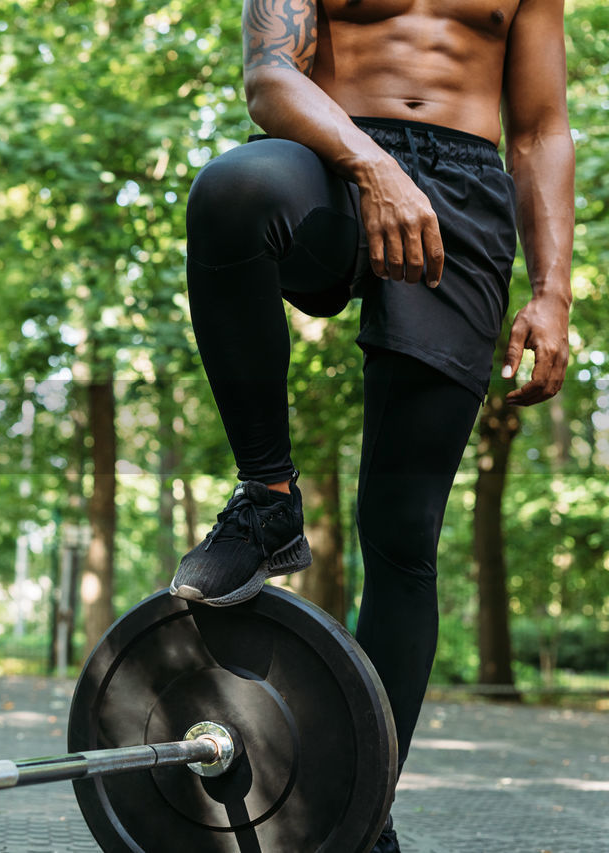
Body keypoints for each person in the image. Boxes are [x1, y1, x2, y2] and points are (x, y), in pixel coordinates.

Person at [168, 0, 573, 849]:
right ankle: (267, 497)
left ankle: (357, 807)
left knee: (400, 536)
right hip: (330, 162)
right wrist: (372, 166)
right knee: (234, 190)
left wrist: (551, 292)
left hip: (465, 194)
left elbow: (538, 128)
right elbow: (270, 77)